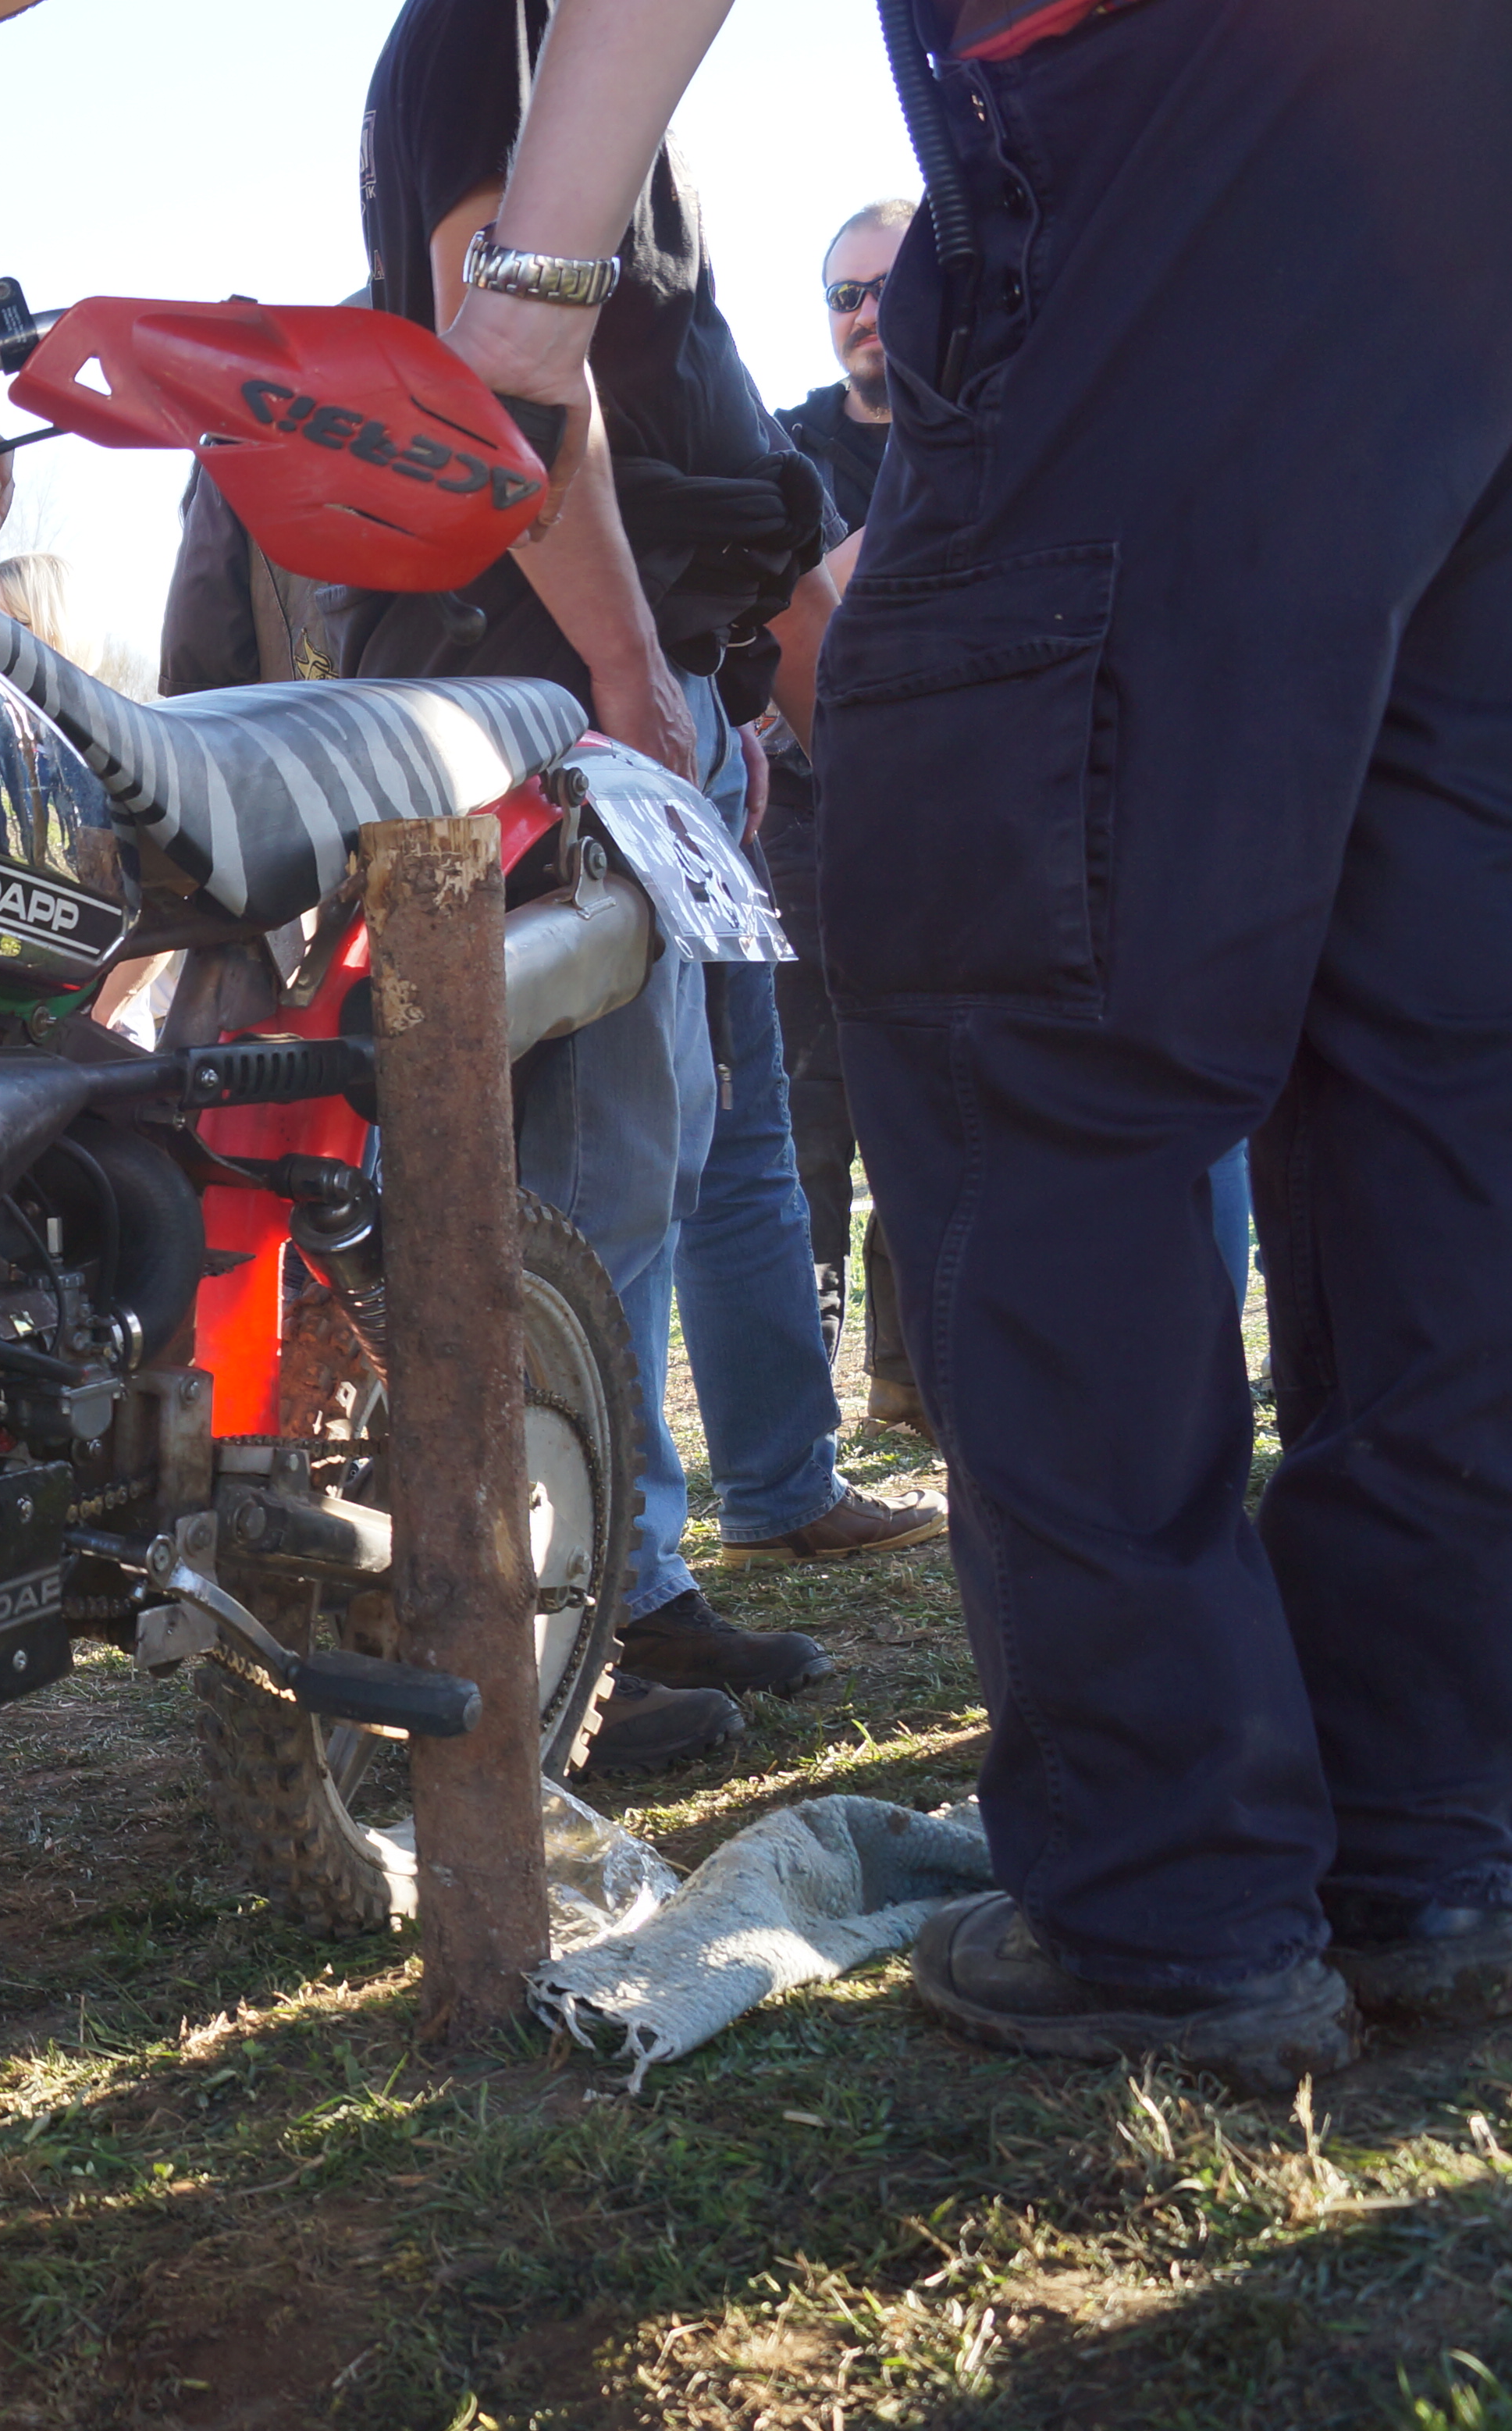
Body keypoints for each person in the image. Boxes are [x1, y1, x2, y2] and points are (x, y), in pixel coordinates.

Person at [434, 0, 1512, 2088]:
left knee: (1027, 1045)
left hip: (1166, 149)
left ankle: (1168, 1894)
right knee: (1429, 1071)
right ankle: (1423, 1840)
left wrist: (533, 291)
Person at [353, 0, 937, 1776]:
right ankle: (540, 1636)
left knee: (650, 1145)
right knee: (591, 1166)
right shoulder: (488, 35)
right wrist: (622, 663)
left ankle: (618, 1571)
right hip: (550, 675)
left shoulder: (581, 74)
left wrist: (694, 674)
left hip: (626, 670)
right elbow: (505, 384)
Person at [760, 201, 927, 1438]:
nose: (865, 314)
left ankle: (912, 1379)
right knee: (805, 1111)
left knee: (927, 1101)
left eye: (889, 288)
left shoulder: (997, 428)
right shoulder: (784, 447)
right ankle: (806, 1398)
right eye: (843, 294)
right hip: (806, 823)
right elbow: (764, 618)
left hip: (952, 816)